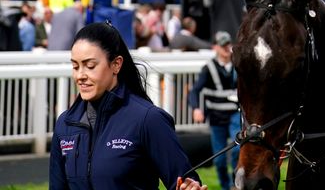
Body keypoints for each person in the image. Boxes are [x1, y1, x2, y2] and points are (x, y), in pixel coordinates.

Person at [49, 22, 207, 189]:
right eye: (75, 66)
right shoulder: (65, 124)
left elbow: (183, 181)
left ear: (116, 64)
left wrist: (190, 187)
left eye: (90, 66)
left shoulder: (148, 119)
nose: (80, 75)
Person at [188, 31, 240, 190]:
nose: (226, 48)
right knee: (219, 159)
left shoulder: (238, 65)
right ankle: (226, 186)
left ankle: (235, 185)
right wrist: (196, 108)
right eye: (223, 45)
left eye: (228, 44)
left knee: (238, 148)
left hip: (234, 114)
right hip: (216, 118)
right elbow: (194, 91)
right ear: (215, 47)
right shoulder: (208, 68)